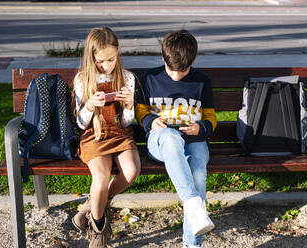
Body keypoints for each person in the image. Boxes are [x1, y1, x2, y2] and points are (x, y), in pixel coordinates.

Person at [136, 29, 217, 248]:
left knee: (198, 174)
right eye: (172, 70)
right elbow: (140, 111)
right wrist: (150, 122)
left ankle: (193, 244)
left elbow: (211, 117)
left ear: (194, 60)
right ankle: (193, 205)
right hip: (161, 141)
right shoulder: (150, 77)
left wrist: (200, 128)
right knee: (170, 137)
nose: (177, 76)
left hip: (195, 141)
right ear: (163, 58)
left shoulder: (202, 81)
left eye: (183, 71)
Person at [72, 27, 140, 248]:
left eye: (111, 59)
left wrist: (130, 105)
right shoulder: (83, 79)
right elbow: (81, 124)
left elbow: (128, 122)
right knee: (100, 179)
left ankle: (92, 206)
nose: (107, 66)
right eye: (101, 61)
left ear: (118, 52)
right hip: (94, 134)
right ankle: (98, 229)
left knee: (131, 171)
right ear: (91, 57)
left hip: (120, 132)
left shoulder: (127, 77)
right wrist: (90, 106)